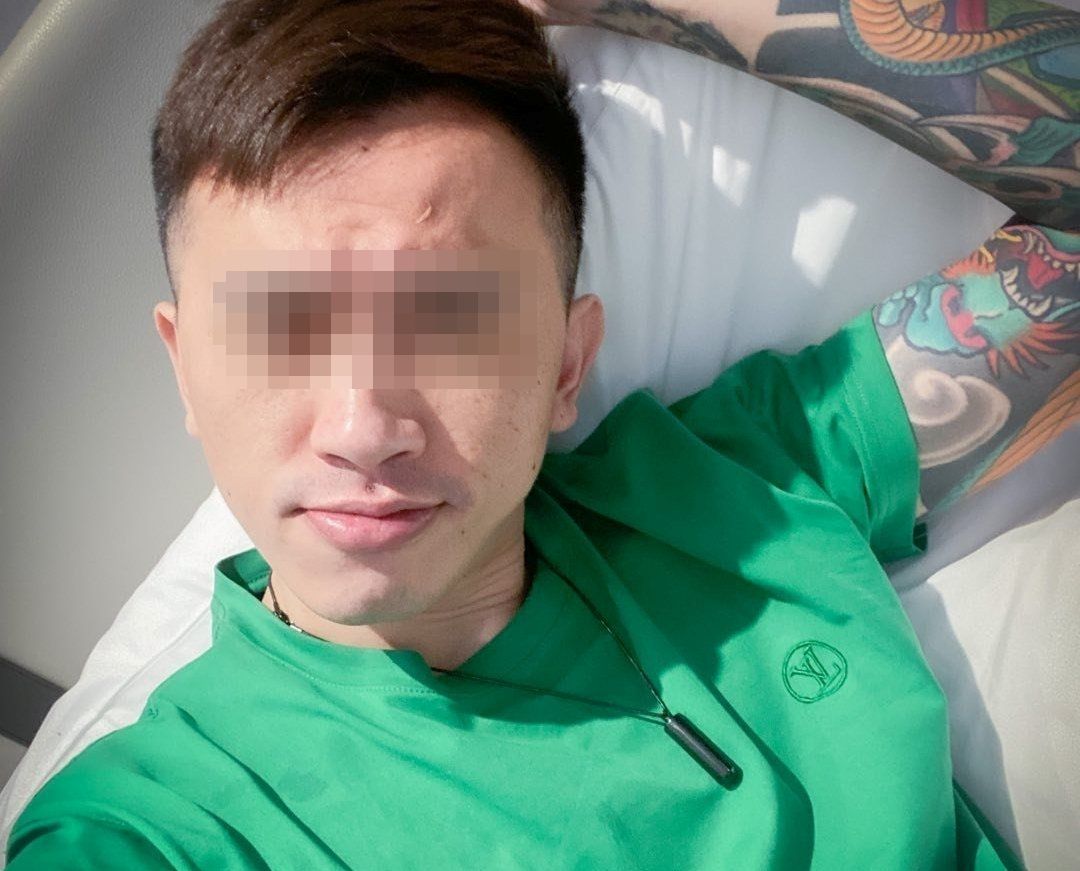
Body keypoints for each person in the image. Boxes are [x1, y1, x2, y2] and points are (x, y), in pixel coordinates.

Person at [6, 0, 1078, 867]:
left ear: (567, 363)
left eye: (452, 320)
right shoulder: (155, 829)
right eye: (279, 326)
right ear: (185, 368)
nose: (364, 426)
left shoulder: (739, 489)